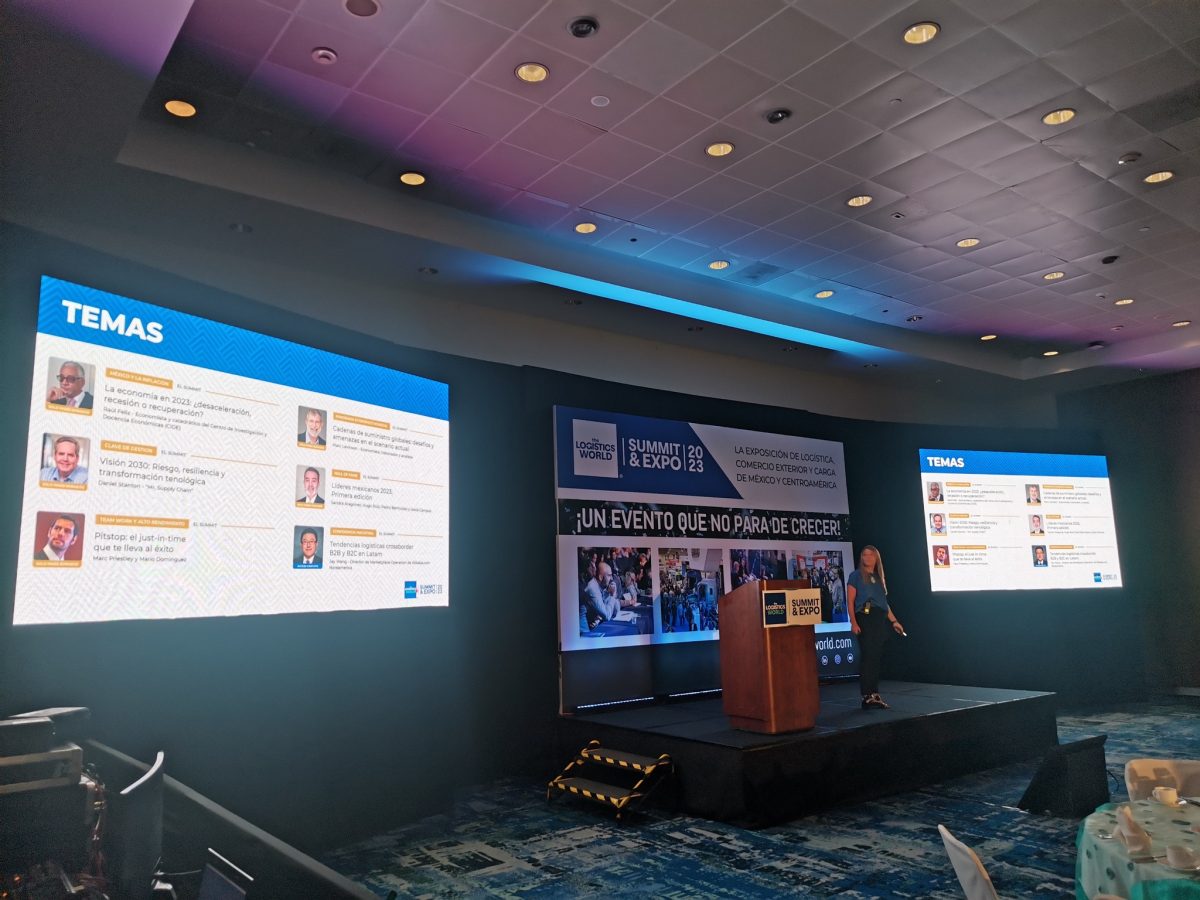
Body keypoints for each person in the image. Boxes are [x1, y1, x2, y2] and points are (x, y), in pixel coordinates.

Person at [847, 545, 903, 710]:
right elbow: (850, 601)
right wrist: (853, 622)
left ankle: (874, 693)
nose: (867, 557)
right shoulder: (856, 576)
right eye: (864, 555)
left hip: (879, 618)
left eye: (871, 555)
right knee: (868, 655)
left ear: (876, 558)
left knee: (876, 656)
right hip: (865, 616)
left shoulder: (879, 577)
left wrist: (894, 621)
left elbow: (884, 604)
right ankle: (867, 695)